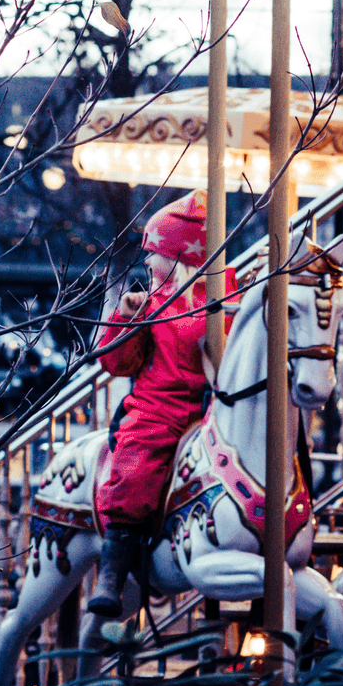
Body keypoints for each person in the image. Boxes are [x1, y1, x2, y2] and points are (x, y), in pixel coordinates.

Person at [88, 191, 227, 618]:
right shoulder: (149, 302)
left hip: (209, 409)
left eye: (154, 253)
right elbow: (117, 363)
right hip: (157, 409)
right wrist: (125, 319)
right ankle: (113, 567)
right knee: (136, 467)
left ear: (178, 255)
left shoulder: (223, 297)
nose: (147, 263)